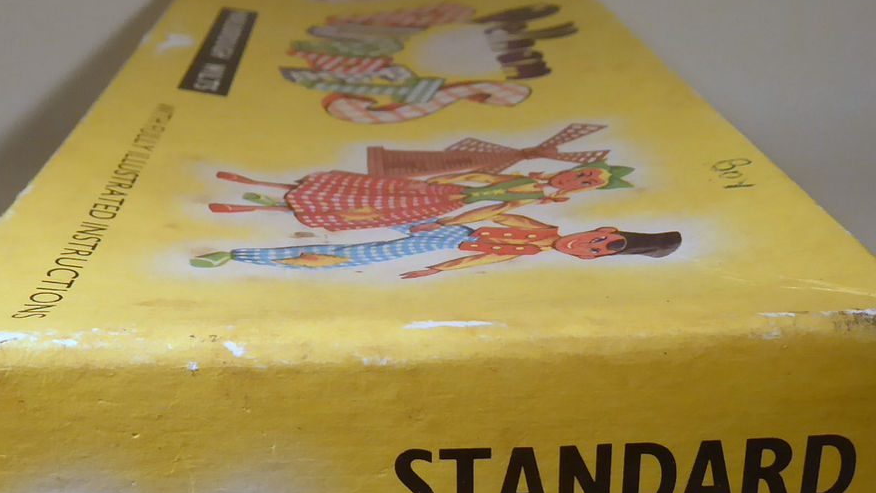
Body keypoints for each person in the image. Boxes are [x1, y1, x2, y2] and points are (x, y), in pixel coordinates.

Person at [191, 202, 681, 275]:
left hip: (442, 246)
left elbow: (478, 262)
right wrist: (443, 223)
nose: (585, 246)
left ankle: (240, 255)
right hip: (446, 231)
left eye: (595, 254)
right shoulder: (541, 230)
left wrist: (437, 268)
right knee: (359, 226)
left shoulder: (535, 250)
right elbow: (495, 213)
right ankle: (262, 209)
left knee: (351, 255)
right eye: (598, 240)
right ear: (603, 229)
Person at [206, 158, 635, 233]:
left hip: (443, 202)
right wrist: (447, 180)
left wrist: (446, 221)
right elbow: (481, 177)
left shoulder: (534, 196)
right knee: (359, 190)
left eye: (587, 184)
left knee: (363, 209)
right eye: (583, 174)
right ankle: (258, 184)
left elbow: (492, 208)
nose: (577, 181)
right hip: (436, 191)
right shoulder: (529, 179)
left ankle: (251, 205)